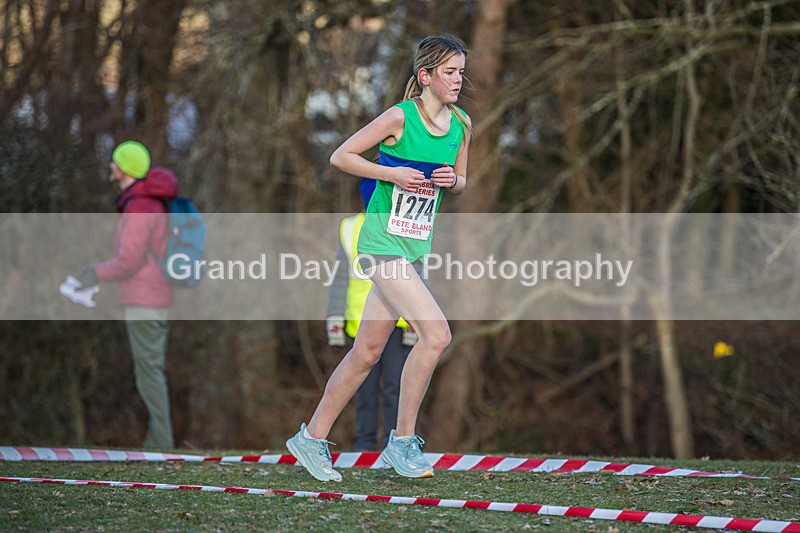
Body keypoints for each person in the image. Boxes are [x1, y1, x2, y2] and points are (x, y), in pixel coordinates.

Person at [287, 35, 471, 481]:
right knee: (437, 334)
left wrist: (451, 181)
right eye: (449, 72)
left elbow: (462, 180)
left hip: (413, 249)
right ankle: (402, 442)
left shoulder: (462, 124)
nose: (458, 80)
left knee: (367, 352)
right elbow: (340, 155)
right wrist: (390, 173)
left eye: (462, 72)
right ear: (425, 76)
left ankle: (310, 438)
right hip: (381, 244)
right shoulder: (398, 117)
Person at [73, 140, 178, 449]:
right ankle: (158, 440)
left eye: (114, 161)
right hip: (151, 295)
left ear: (124, 168)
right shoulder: (143, 201)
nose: (110, 166)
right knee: (149, 369)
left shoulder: (140, 205)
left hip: (145, 298)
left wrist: (94, 272)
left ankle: (161, 443)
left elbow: (128, 261)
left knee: (148, 372)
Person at [326, 209, 417, 452]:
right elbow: (340, 277)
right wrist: (335, 317)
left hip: (396, 324)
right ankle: (364, 446)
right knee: (364, 391)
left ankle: (393, 444)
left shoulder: (403, 225)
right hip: (359, 325)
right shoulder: (350, 227)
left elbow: (417, 273)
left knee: (395, 387)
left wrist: (415, 319)